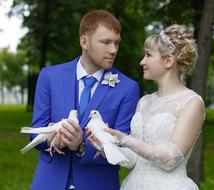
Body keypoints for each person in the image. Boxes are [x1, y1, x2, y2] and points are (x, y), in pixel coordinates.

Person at [29, 10, 140, 190]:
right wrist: (51, 139)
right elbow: (34, 133)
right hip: (49, 183)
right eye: (106, 42)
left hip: (98, 184)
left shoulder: (128, 88)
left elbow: (122, 150)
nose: (113, 50)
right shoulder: (49, 77)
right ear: (84, 41)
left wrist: (81, 146)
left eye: (116, 43)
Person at [88, 24, 205, 190]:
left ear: (168, 60)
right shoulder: (144, 102)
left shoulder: (192, 103)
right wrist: (106, 146)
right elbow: (135, 160)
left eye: (148, 55)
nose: (142, 61)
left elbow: (170, 159)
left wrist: (125, 139)